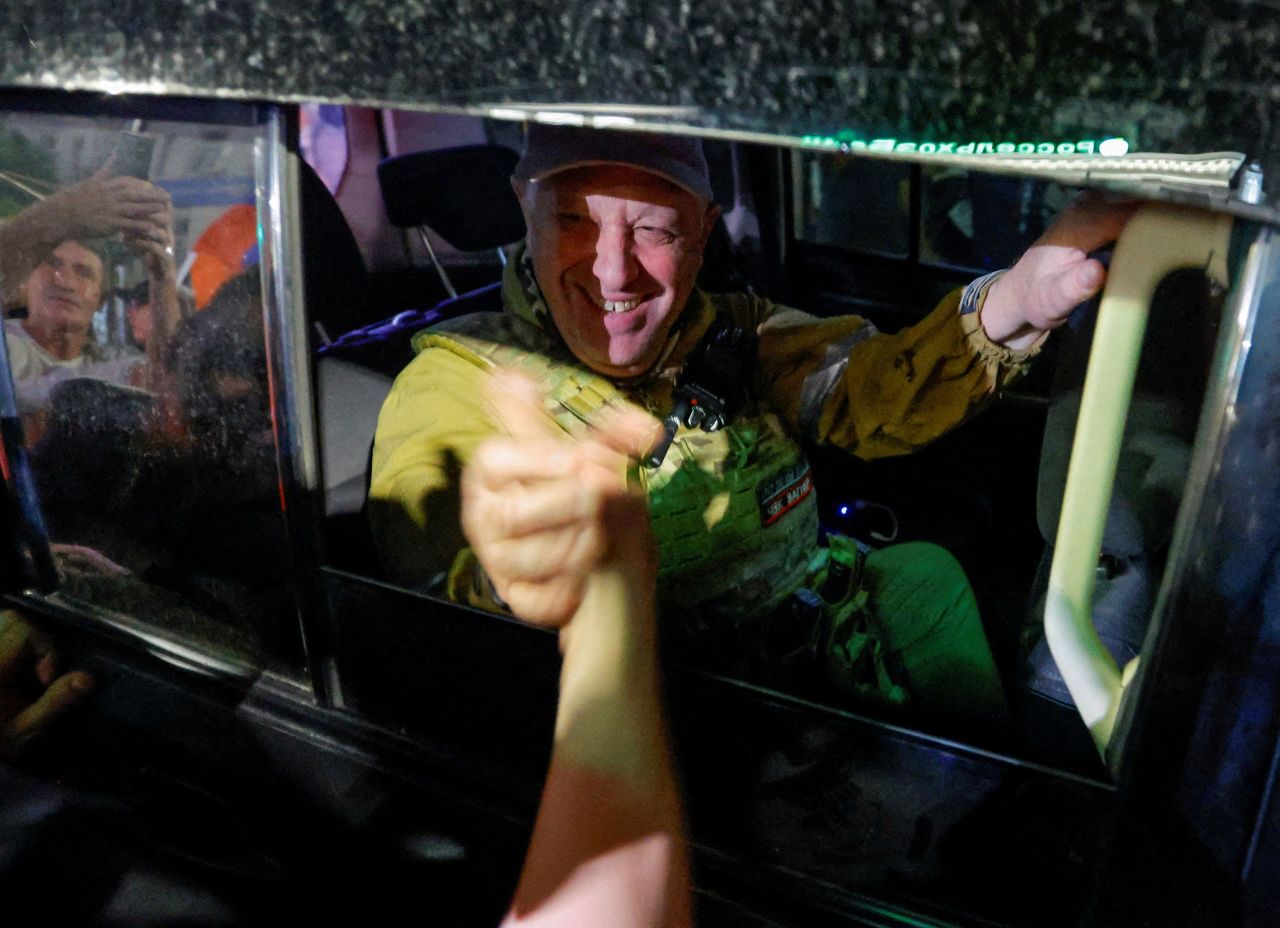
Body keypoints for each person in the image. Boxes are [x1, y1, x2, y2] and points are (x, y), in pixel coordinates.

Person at [368, 126, 1133, 728]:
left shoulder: (737, 333)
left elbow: (872, 393)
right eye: (573, 220)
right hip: (675, 713)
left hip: (809, 636)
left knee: (920, 575)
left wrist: (1018, 304)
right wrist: (521, 576)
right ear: (521, 210)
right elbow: (433, 611)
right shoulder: (457, 384)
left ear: (702, 233)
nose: (612, 271)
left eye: (653, 232)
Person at [0, 171, 178, 411]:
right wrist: (63, 214)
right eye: (51, 264)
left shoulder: (112, 359)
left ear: (100, 299)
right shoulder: (6, 347)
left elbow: (170, 383)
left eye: (83, 272)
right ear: (23, 281)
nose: (64, 282)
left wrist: (162, 274)